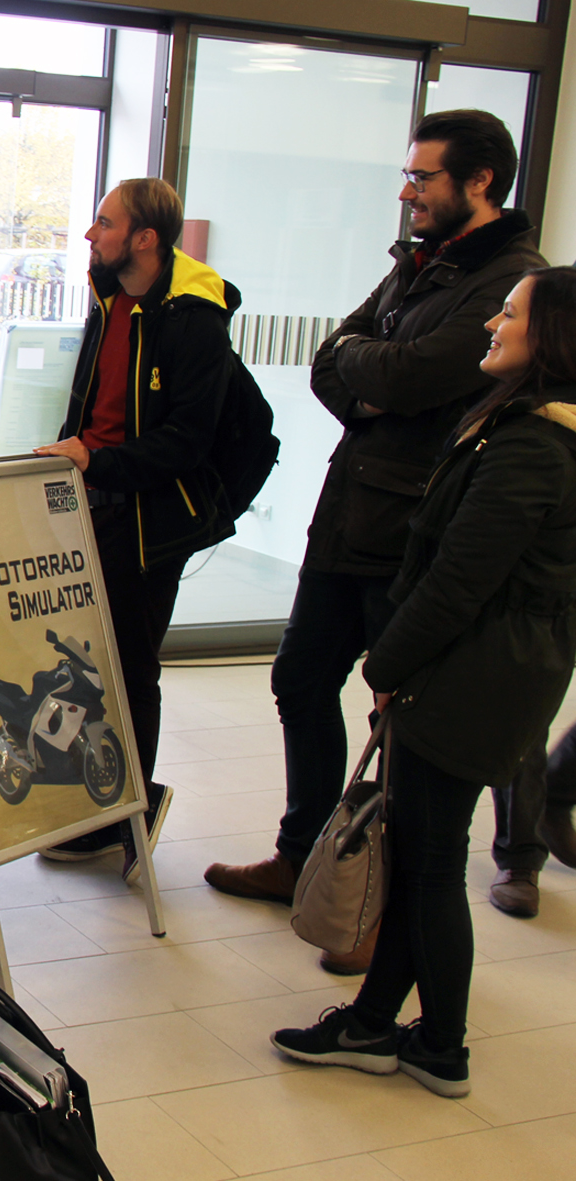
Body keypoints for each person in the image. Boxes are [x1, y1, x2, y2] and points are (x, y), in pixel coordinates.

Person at [205, 111, 545, 967]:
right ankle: (302, 855)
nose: (406, 191)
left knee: (399, 725)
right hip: (348, 516)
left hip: (414, 531)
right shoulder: (419, 264)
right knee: (299, 679)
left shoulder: (511, 279)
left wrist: (378, 373)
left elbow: (417, 373)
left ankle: (366, 901)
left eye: (422, 177)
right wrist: (376, 380)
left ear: (478, 182)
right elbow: (333, 359)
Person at [271, 265, 576, 1100]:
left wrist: (387, 663)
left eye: (509, 314)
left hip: (472, 678)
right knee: (421, 857)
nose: (492, 325)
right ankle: (376, 1022)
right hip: (482, 670)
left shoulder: (532, 446)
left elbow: (457, 581)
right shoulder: (522, 425)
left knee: (432, 864)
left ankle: (441, 1044)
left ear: (551, 336)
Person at [31, 178, 236, 881]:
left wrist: (99, 461)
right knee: (88, 663)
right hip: (92, 499)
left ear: (144, 239)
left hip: (148, 520)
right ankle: (104, 805)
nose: (91, 234)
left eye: (105, 222)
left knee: (129, 668)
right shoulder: (109, 297)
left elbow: (188, 440)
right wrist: (72, 462)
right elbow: (91, 406)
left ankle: (133, 809)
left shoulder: (192, 319)